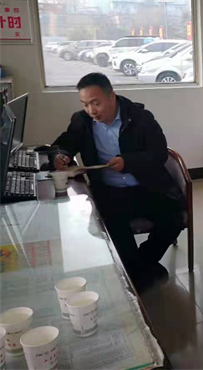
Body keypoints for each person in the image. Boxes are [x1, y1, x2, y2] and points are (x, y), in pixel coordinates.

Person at [52, 73, 183, 291]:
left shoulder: (140, 118)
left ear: (111, 96)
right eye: (85, 104)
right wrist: (62, 155)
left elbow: (159, 153)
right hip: (108, 191)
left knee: (173, 219)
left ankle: (140, 265)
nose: (91, 110)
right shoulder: (82, 120)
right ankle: (139, 273)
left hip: (146, 186)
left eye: (96, 103)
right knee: (115, 228)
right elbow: (66, 142)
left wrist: (128, 162)